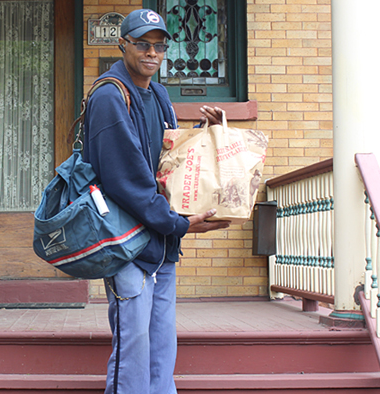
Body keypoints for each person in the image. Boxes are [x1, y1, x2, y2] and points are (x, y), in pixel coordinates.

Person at [81, 9, 230, 394]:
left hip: (161, 243)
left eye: (159, 46)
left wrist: (205, 130)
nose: (152, 53)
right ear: (123, 45)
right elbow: (127, 180)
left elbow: (171, 159)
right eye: (143, 44)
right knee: (134, 345)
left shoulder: (159, 94)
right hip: (128, 242)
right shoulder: (110, 97)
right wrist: (179, 222)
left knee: (162, 342)